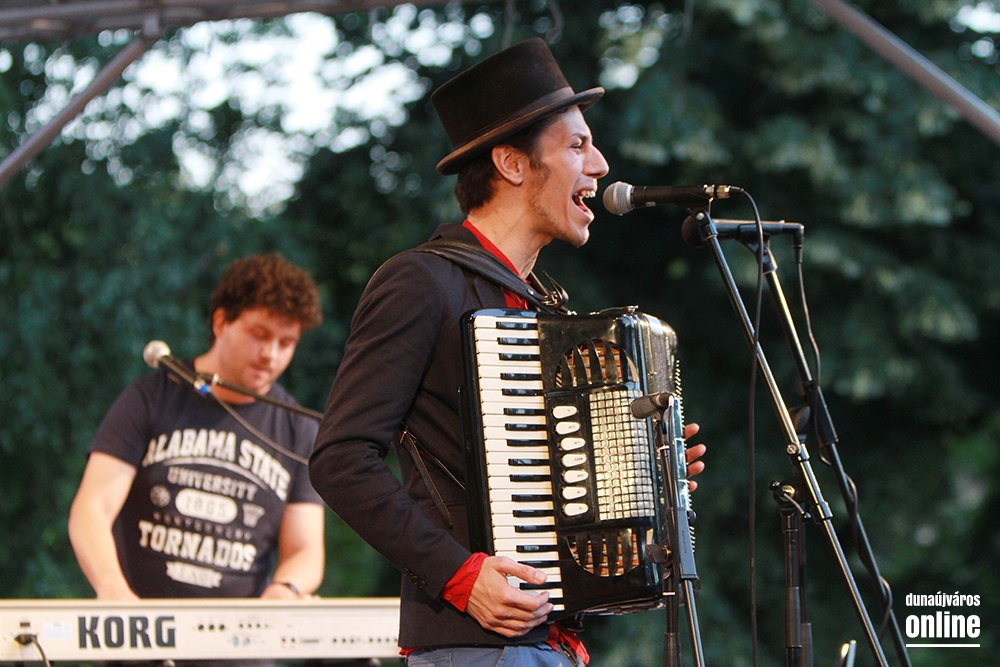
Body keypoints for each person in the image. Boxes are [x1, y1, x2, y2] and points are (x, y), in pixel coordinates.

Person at [309, 39, 706, 666]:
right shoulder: (421, 281)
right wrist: (459, 575)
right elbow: (340, 460)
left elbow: (558, 493)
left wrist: (643, 476)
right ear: (512, 164)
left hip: (551, 643)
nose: (600, 164)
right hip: (472, 646)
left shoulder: (545, 307)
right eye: (576, 145)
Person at [69, 253, 325, 601]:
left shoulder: (298, 427)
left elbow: (306, 550)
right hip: (144, 626)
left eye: (286, 342)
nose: (271, 354)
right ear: (221, 322)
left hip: (242, 633)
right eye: (259, 335)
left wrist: (285, 588)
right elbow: (93, 508)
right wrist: (111, 586)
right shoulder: (151, 397)